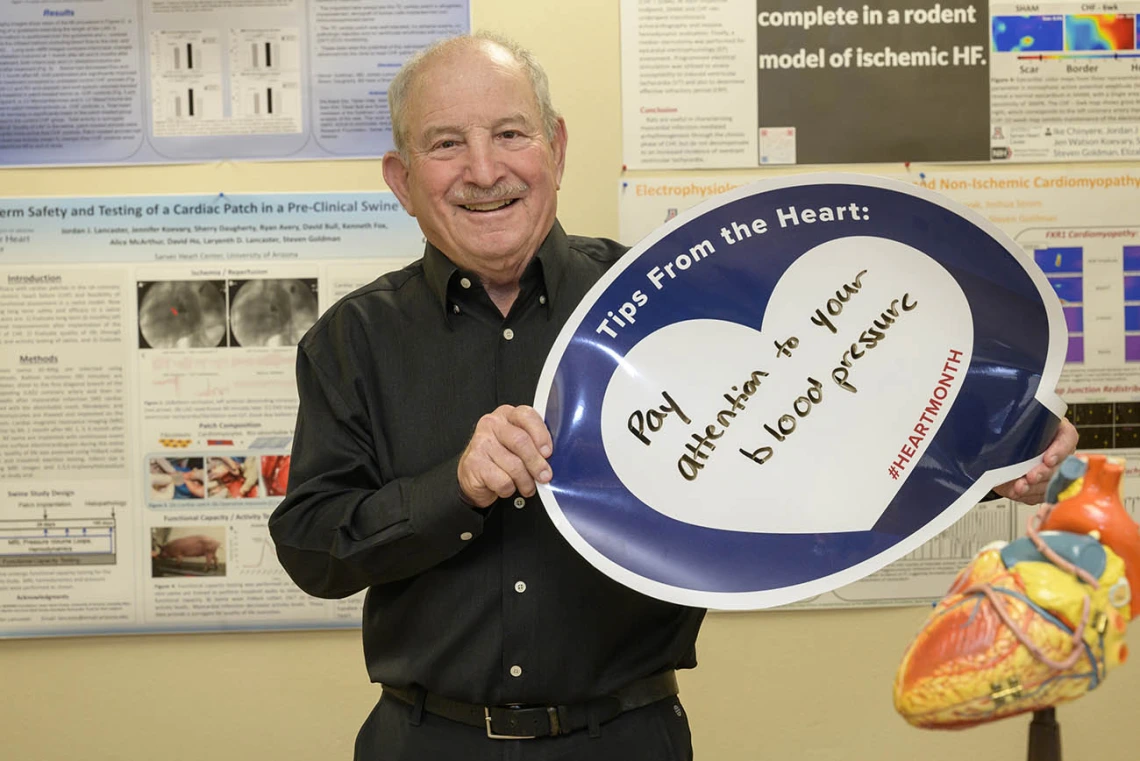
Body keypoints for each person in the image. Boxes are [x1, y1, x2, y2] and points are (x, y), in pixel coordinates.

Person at [268, 32, 1078, 760]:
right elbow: (312, 547)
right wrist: (457, 486)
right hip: (425, 743)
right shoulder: (351, 340)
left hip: (626, 738)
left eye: (510, 133)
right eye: (446, 144)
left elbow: (825, 407)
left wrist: (992, 445)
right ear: (402, 180)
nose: (484, 170)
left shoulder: (665, 296)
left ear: (554, 146)